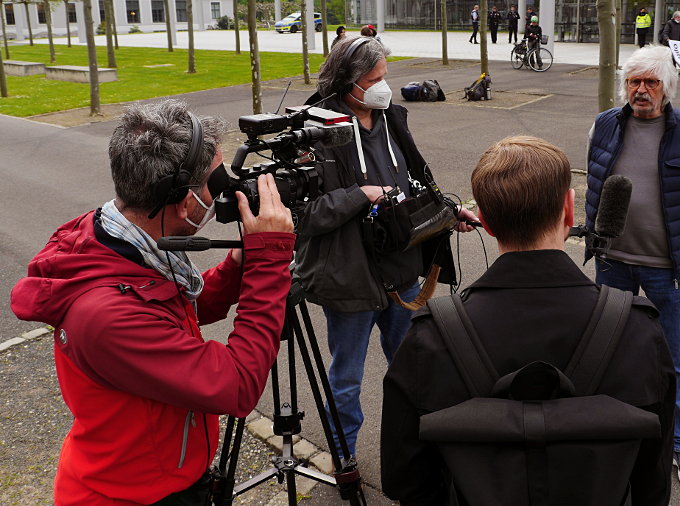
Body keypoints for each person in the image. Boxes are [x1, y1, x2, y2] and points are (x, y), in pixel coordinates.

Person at [10, 100, 296, 504]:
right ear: (185, 203)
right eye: (217, 184)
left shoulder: (119, 237)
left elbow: (184, 310)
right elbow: (237, 387)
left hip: (162, 477)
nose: (226, 192)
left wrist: (240, 263)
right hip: (132, 496)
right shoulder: (106, 315)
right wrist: (269, 264)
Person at [381, 135, 676, 506]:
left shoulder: (430, 338)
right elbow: (653, 481)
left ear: (485, 221)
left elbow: (403, 481)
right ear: (569, 211)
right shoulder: (639, 331)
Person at [296, 36, 478, 457]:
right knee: (346, 382)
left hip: (403, 278)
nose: (384, 87)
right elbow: (304, 216)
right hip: (351, 284)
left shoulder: (392, 119)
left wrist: (448, 214)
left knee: (413, 372)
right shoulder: (315, 130)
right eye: (374, 80)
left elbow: (413, 187)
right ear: (348, 82)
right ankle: (343, 461)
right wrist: (362, 194)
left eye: (385, 77)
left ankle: (417, 456)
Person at [585, 44, 680, 494]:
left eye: (651, 82)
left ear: (667, 87)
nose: (640, 90)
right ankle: (616, 432)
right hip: (614, 263)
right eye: (633, 81)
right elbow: (594, 183)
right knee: (611, 349)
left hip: (667, 268)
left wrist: (671, 238)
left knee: (675, 360)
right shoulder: (605, 125)